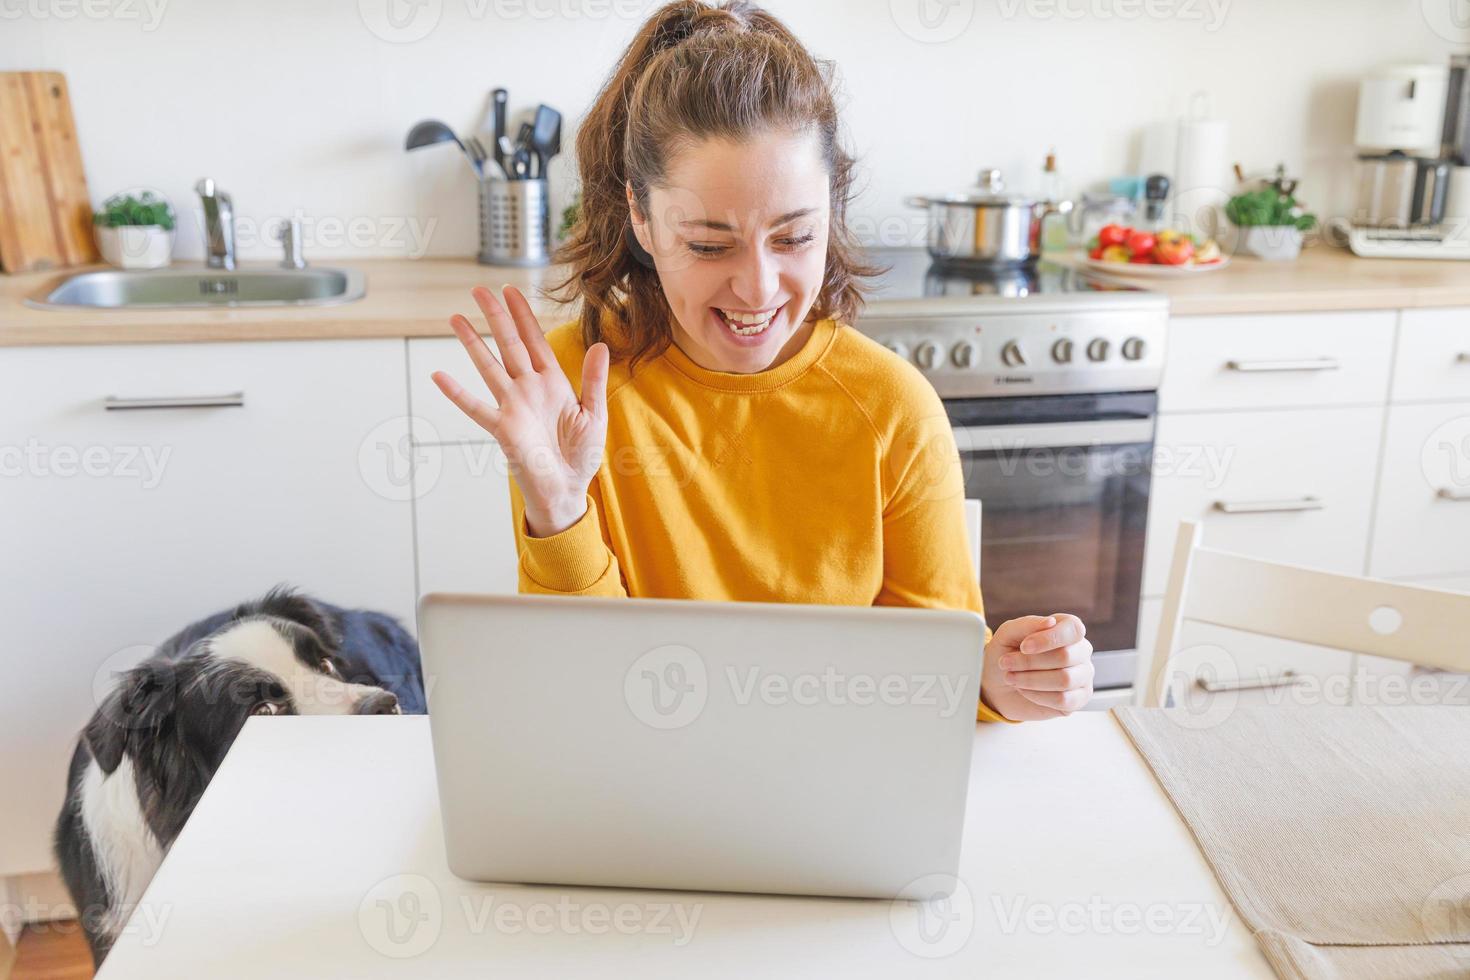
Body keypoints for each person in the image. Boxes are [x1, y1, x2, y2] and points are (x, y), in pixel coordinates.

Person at [432, 0, 1093, 722]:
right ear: (641, 218)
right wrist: (557, 511)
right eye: (710, 245)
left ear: (831, 210)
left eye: (794, 237)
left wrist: (991, 682)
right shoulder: (568, 388)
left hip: (834, 787)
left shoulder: (893, 408)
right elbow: (587, 693)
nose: (758, 288)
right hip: (647, 783)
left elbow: (930, 685)